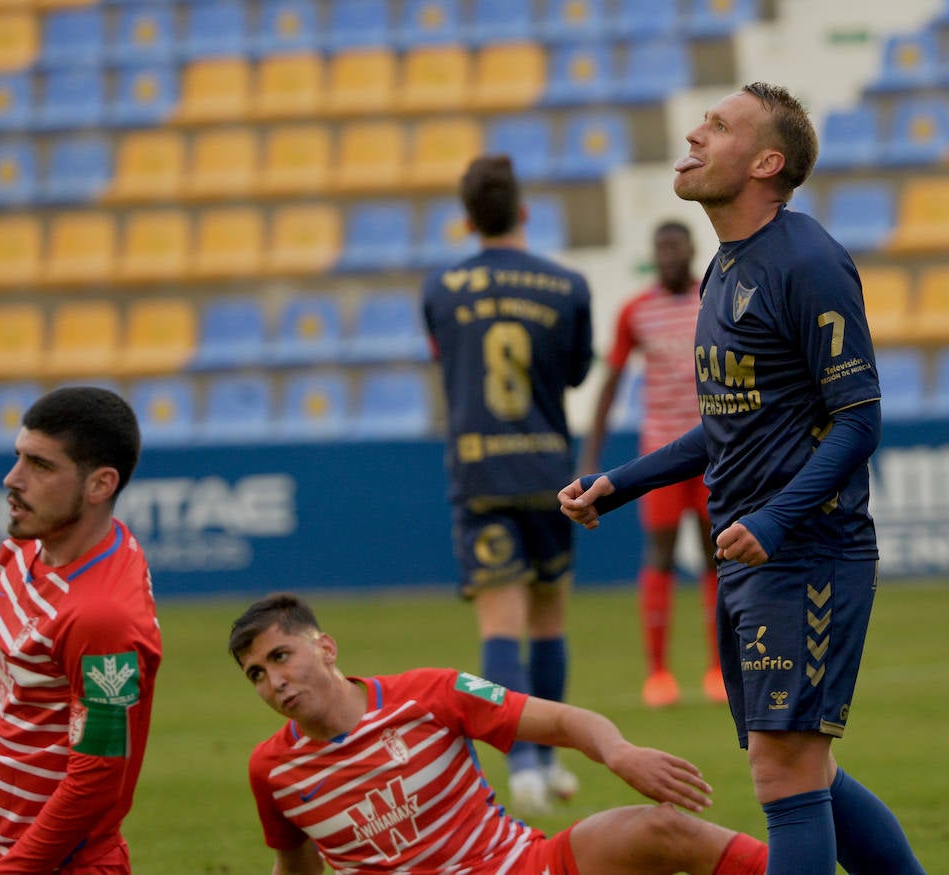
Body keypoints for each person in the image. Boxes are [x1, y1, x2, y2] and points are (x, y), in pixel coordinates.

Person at [559, 83, 927, 875]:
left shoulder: (809, 261)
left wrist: (776, 517)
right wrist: (620, 483)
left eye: (718, 126)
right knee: (803, 766)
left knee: (784, 770)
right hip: (752, 553)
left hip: (807, 551)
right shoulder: (726, 268)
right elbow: (729, 423)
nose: (694, 135)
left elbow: (859, 418)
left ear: (766, 162)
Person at [230, 593, 768, 875]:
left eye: (281, 657)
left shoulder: (431, 693)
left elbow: (564, 722)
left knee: (664, 829)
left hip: (521, 865)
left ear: (325, 648)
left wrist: (619, 752)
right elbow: (296, 868)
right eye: (256, 674)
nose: (275, 681)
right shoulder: (273, 772)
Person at [420, 154, 593, 816]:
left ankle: (521, 767)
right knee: (549, 617)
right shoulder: (568, 285)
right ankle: (545, 759)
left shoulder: (441, 288)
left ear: (467, 221)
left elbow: (447, 362)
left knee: (501, 625)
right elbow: (575, 373)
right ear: (524, 212)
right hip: (549, 471)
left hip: (479, 471)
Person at [0, 387, 162, 874]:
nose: (12, 478)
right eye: (19, 456)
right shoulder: (26, 545)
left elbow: (97, 779)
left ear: (100, 484)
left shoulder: (102, 617)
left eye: (41, 466)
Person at [579, 219, 723, 709]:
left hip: (714, 448)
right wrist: (590, 457)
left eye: (675, 246)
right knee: (660, 553)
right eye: (661, 247)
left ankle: (718, 669)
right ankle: (658, 673)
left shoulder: (713, 299)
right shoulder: (636, 311)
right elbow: (612, 382)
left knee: (716, 552)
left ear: (691, 249)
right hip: (662, 451)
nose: (668, 255)